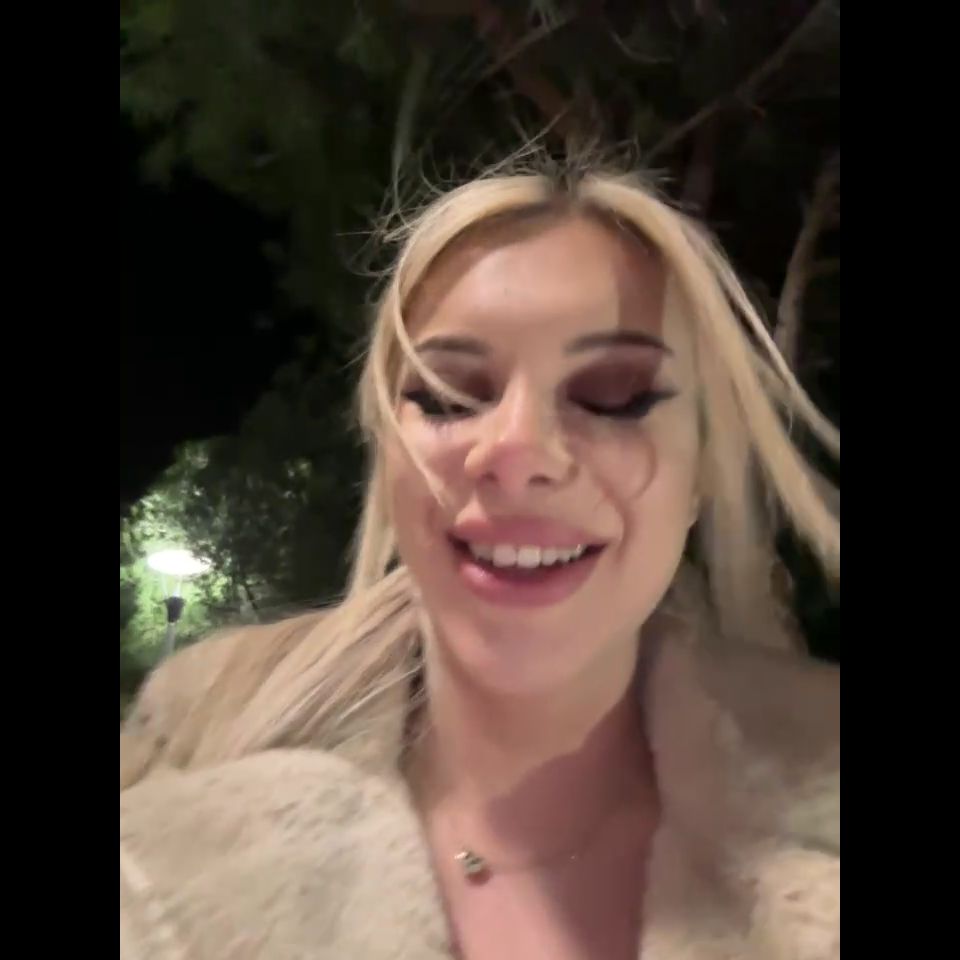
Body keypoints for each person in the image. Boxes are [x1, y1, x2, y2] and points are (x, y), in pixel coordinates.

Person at [120, 159, 840, 960]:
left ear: (699, 470)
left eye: (615, 396)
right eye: (449, 394)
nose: (516, 451)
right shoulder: (170, 800)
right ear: (386, 448)